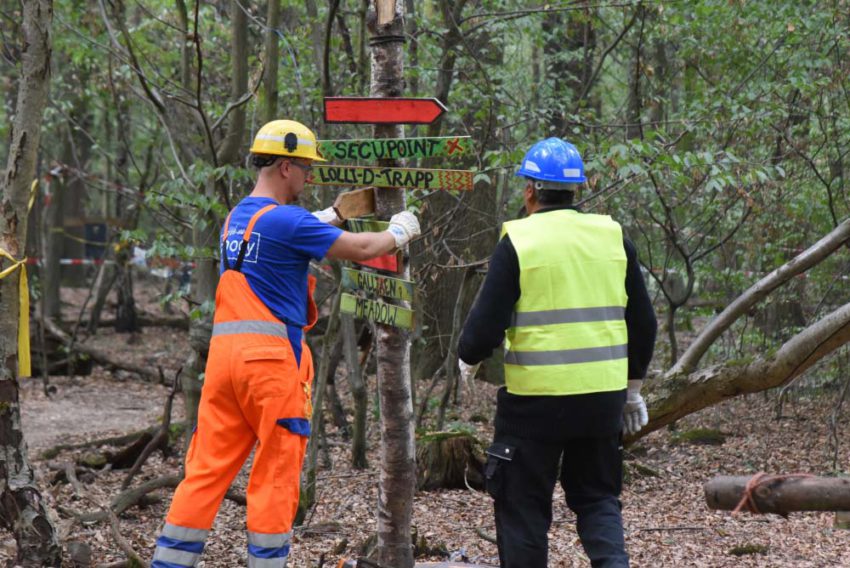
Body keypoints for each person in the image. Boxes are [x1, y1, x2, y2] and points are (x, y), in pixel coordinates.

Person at [151, 119, 420, 568]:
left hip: (222, 368)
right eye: (306, 168)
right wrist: (400, 231)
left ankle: (169, 563)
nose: (309, 177)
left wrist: (331, 216)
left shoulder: (238, 217)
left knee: (205, 472)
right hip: (270, 369)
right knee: (276, 473)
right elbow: (361, 248)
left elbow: (280, 238)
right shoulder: (289, 221)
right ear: (285, 167)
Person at [457, 138, 657, 568]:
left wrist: (467, 358)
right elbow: (644, 323)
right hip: (601, 401)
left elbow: (483, 327)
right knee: (598, 499)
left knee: (523, 508)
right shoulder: (613, 237)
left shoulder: (520, 240)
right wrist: (632, 389)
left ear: (530, 190)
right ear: (576, 189)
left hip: (534, 407)